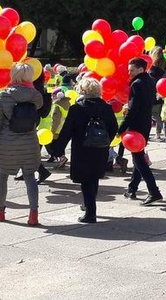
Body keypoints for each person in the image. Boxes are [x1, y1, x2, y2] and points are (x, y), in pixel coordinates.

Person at [0, 63, 48, 226]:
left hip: (7, 143)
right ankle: (33, 214)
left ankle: (0, 211)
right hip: (29, 143)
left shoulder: (4, 96)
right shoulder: (35, 96)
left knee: (2, 177)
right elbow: (40, 107)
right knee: (30, 177)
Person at [52, 77, 118, 223]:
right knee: (93, 178)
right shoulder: (106, 107)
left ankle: (90, 212)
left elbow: (67, 131)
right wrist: (105, 140)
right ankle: (89, 204)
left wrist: (58, 149)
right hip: (100, 148)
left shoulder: (77, 108)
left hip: (82, 149)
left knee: (86, 180)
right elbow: (114, 127)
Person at [122, 58, 163, 205]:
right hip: (145, 124)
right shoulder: (150, 81)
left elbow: (132, 110)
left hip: (136, 126)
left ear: (141, 69)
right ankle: (132, 188)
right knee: (138, 157)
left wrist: (121, 128)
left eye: (132, 70)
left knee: (139, 160)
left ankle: (154, 191)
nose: (129, 72)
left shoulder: (137, 84)